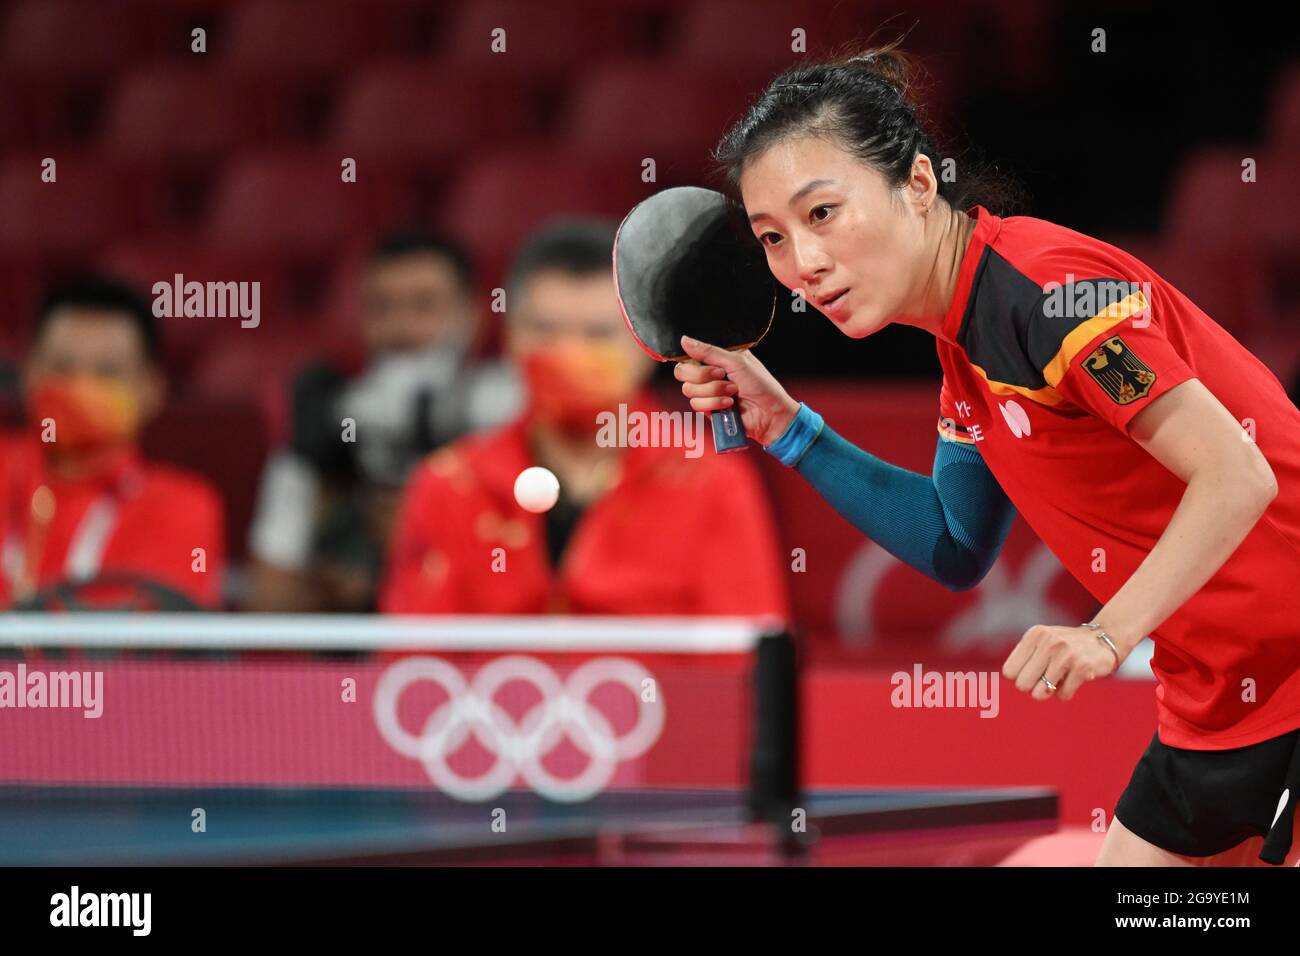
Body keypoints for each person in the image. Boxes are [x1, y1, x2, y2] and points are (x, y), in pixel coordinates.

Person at [674, 42, 1300, 867]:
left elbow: (1235, 472)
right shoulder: (964, 357)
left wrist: (1105, 637)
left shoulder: (1048, 293)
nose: (803, 265)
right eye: (772, 238)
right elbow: (953, 543)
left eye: (821, 213)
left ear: (920, 185)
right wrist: (789, 428)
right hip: (1215, 704)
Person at [380, 220, 790, 620]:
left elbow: (746, 670)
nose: (568, 354)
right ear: (510, 338)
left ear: (647, 343)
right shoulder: (447, 485)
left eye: (597, 334)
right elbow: (413, 669)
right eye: (546, 331)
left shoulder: (714, 485)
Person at [245, 230, 519, 612]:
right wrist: (330, 596)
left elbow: (536, 590)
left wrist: (429, 535)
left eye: (424, 307)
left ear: (473, 317)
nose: (401, 328)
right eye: (382, 308)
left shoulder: (509, 428)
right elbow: (268, 605)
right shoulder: (322, 435)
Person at [0, 275, 225, 609]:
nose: (79, 387)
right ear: (28, 373)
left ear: (152, 389)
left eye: (107, 372)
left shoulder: (183, 506)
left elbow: (149, 643)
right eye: (62, 368)